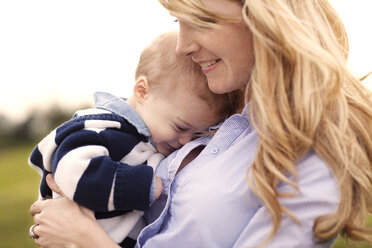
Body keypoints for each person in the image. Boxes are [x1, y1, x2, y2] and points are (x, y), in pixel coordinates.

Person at [29, 0, 372, 247]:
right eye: (178, 22)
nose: (182, 46)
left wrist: (84, 237)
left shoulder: (316, 154)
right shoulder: (215, 116)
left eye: (200, 20)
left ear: (266, 14)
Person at [28, 31, 234, 247]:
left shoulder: (149, 137)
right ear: (143, 91)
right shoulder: (102, 126)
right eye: (181, 127)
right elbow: (73, 170)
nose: (185, 141)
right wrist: (140, 186)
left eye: (196, 134)